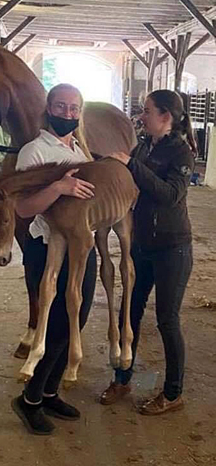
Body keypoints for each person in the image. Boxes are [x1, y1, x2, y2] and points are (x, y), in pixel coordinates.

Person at [100, 89, 195, 415]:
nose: (142, 116)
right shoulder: (143, 145)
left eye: (147, 111)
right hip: (141, 246)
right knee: (130, 312)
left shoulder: (181, 153)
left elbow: (170, 195)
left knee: (167, 320)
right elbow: (128, 180)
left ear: (166, 117)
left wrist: (132, 165)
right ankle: (123, 377)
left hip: (172, 248)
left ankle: (172, 392)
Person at [11, 83, 97, 435]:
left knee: (79, 318)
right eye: (60, 107)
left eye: (73, 108)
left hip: (82, 248)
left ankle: (49, 391)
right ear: (48, 108)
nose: (67, 114)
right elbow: (22, 207)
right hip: (46, 249)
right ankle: (29, 398)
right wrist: (57, 188)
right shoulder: (33, 152)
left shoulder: (81, 151)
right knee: (59, 323)